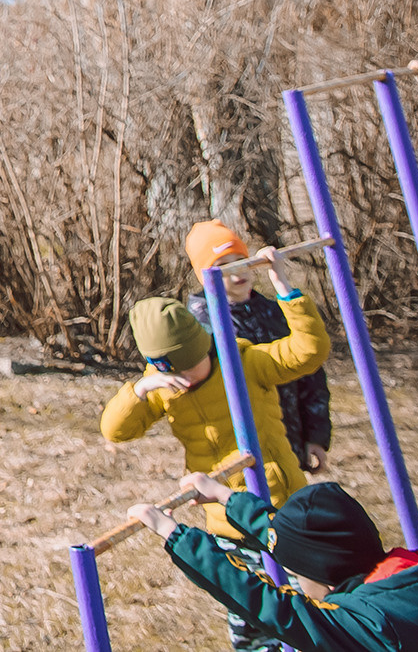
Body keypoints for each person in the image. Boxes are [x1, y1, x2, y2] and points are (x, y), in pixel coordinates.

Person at [105, 250, 330, 652]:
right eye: (173, 371)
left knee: (310, 618)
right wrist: (141, 389)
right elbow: (115, 431)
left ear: (205, 346)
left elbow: (310, 351)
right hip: (226, 521)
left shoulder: (245, 361)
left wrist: (285, 289)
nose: (186, 379)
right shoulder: (164, 387)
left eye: (191, 367)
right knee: (251, 621)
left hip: (279, 508)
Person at [132, 477, 418, 651]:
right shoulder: (417, 567)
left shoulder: (369, 627)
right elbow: (303, 545)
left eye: (296, 572)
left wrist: (176, 536)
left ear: (320, 573)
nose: (295, 580)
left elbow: (271, 607)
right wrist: (226, 497)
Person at [188, 219, 336, 472]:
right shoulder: (199, 325)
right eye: (223, 266)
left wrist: (315, 435)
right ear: (204, 277)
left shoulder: (274, 311)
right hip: (240, 450)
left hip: (288, 438)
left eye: (240, 260)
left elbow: (309, 375)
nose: (237, 273)